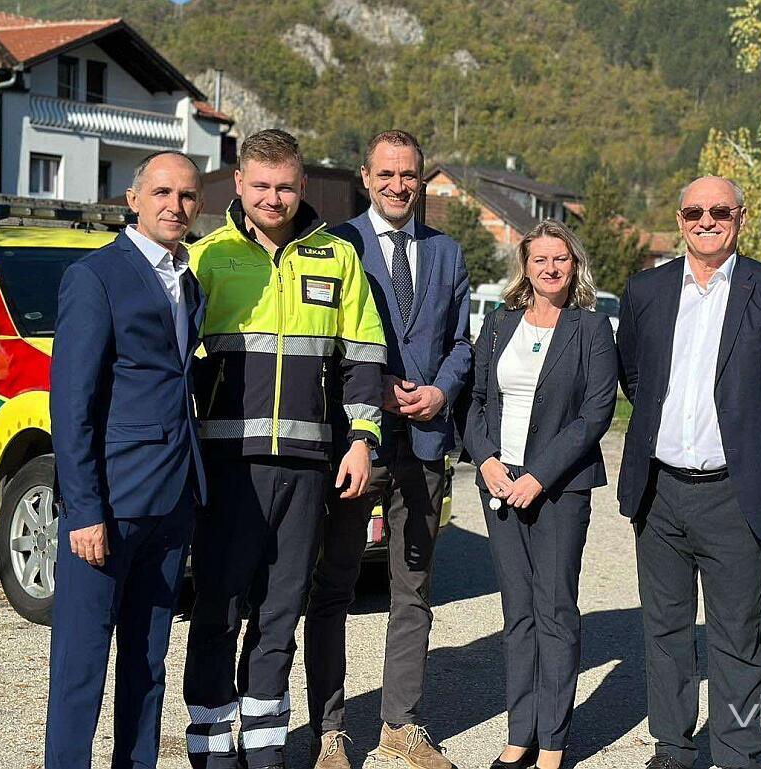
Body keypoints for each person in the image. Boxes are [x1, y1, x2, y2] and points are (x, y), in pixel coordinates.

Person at [182, 129, 386, 769]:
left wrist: (361, 440)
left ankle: (266, 749)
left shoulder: (338, 258)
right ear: (238, 184)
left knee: (279, 615)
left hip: (308, 467)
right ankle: (213, 749)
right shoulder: (207, 259)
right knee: (217, 608)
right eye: (262, 185)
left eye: (286, 186)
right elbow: (177, 366)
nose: (275, 197)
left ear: (303, 188)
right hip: (226, 466)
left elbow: (364, 356)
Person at [616, 176, 761, 769]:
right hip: (658, 492)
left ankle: (737, 752)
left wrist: (752, 434)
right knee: (666, 631)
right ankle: (673, 748)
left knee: (738, 637)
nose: (706, 220)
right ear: (679, 218)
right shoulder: (647, 291)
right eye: (693, 211)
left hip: (734, 494)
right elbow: (636, 377)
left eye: (719, 211)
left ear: (740, 217)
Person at [304, 129, 472, 769]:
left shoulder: (448, 253)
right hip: (358, 444)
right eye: (387, 174)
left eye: (410, 175)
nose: (399, 185)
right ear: (366, 177)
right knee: (336, 585)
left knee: (414, 591)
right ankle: (330, 732)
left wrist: (441, 390)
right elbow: (326, 342)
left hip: (426, 445)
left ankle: (400, 724)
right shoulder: (337, 246)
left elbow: (461, 342)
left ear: (421, 181)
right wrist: (373, 392)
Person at [46, 150, 207, 769]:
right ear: (133, 200)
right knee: (81, 664)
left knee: (147, 660)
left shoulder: (186, 280)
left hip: (170, 501)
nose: (176, 205)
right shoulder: (95, 276)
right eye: (162, 193)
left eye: (188, 196)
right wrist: (83, 509)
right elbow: (73, 403)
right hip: (106, 506)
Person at [464, 220, 617, 769]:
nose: (550, 268)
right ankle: (519, 734)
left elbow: (595, 414)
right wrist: (486, 463)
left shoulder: (591, 329)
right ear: (524, 267)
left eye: (561, 259)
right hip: (500, 486)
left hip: (558, 491)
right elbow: (476, 401)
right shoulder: (500, 323)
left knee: (555, 612)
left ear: (574, 266)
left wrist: (539, 476)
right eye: (539, 260)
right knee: (517, 616)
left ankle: (552, 742)